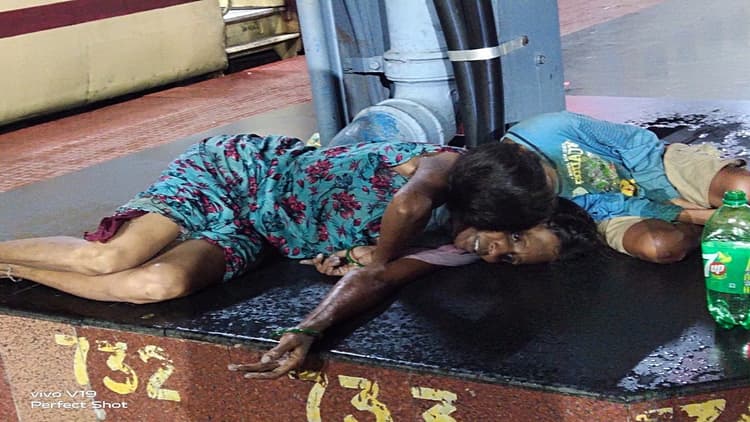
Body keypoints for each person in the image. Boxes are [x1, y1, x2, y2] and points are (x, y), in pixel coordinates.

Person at [0, 134, 557, 303]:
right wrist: (377, 264)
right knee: (112, 258)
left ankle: (16, 269)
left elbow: (365, 243)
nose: (496, 247)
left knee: (155, 285)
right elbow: (407, 206)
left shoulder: (453, 234)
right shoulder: (444, 166)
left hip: (258, 232)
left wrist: (352, 257)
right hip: (236, 174)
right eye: (504, 232)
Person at [228, 196, 602, 379]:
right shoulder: (455, 177)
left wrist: (308, 329)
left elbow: (379, 277)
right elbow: (408, 205)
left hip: (253, 224)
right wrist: (378, 254)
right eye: (515, 236)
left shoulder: (456, 253)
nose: (495, 251)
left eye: (508, 259)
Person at [451, 110, 750, 264]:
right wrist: (683, 215)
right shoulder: (522, 205)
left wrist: (665, 195)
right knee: (661, 247)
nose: (554, 190)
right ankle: (713, 229)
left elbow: (636, 143)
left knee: (742, 187)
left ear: (523, 154)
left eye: (548, 182)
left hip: (655, 166)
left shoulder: (549, 129)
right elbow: (605, 206)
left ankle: (720, 219)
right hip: (616, 209)